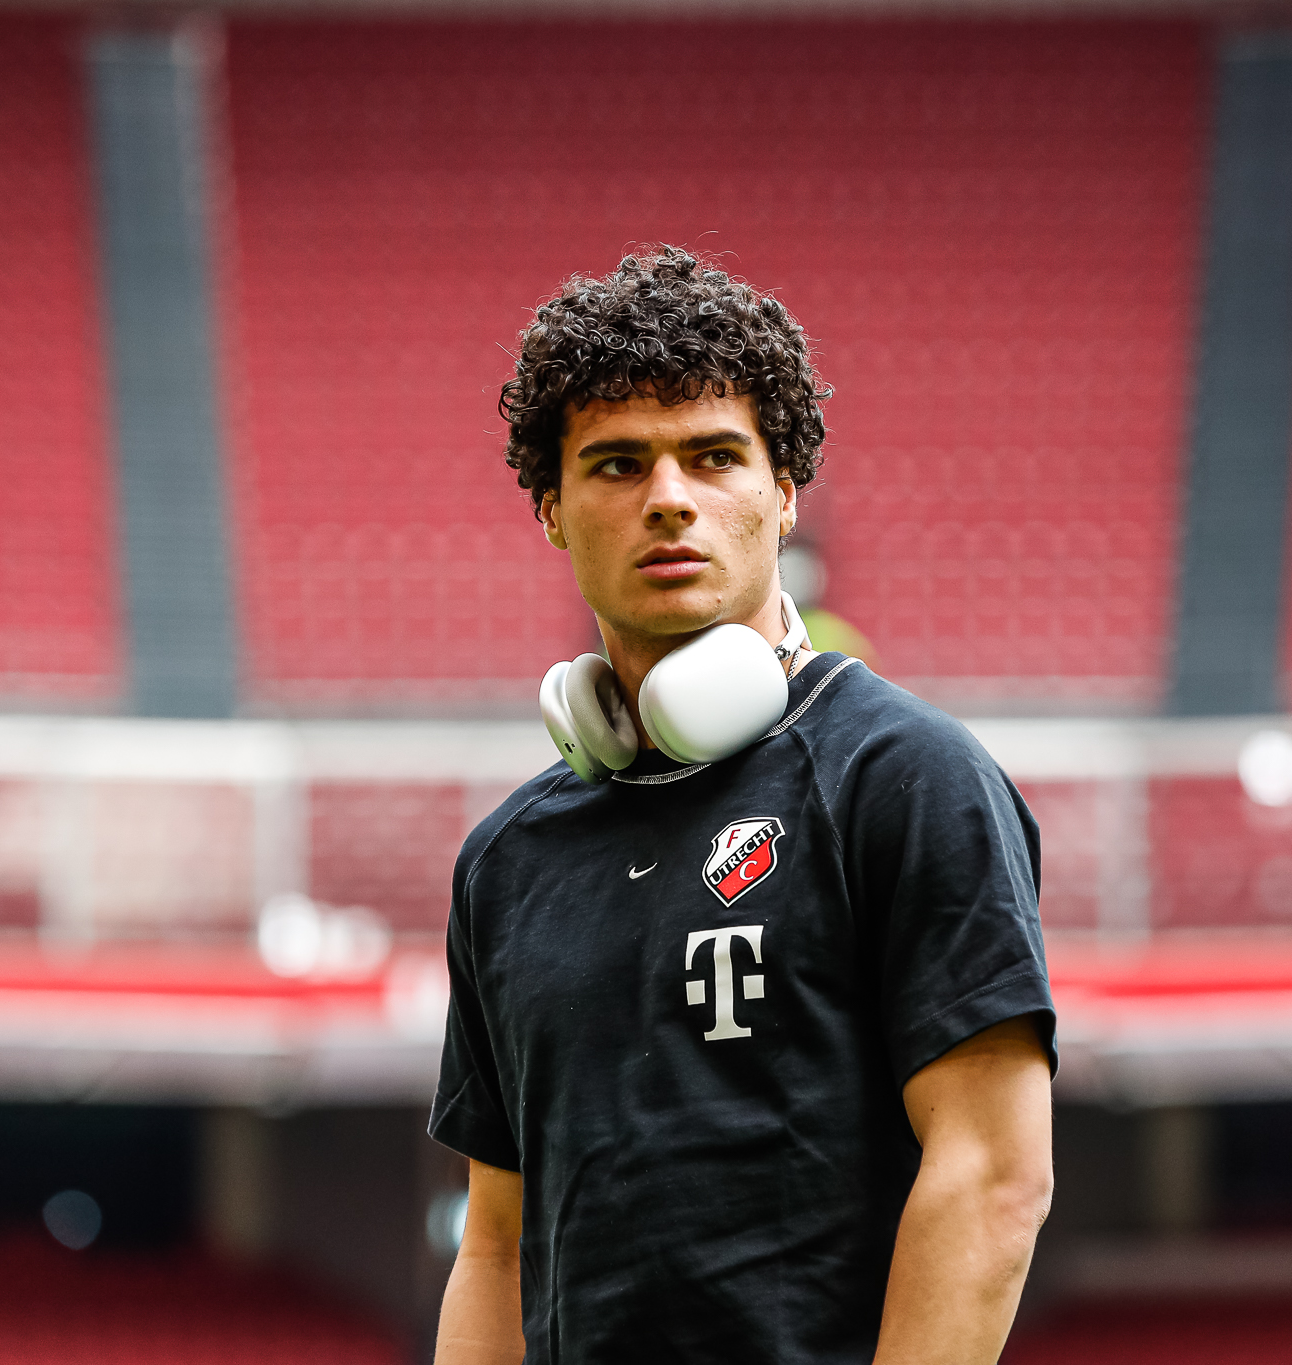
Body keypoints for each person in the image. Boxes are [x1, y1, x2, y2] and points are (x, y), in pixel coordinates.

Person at [429, 246, 1056, 1365]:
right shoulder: (504, 861)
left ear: (783, 493)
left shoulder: (904, 776)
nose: (669, 498)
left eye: (713, 456)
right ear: (552, 510)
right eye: (618, 464)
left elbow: (993, 1176)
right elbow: (495, 1246)